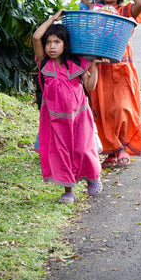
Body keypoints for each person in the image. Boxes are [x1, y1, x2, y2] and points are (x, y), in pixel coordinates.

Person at [33, 10, 110, 203]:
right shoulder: (44, 62)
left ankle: (93, 177)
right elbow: (36, 36)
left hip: (79, 115)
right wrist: (52, 19)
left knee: (83, 149)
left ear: (65, 44)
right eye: (49, 42)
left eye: (57, 42)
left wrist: (96, 67)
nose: (51, 46)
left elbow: (90, 86)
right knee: (61, 152)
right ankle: (68, 191)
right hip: (54, 118)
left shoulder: (76, 63)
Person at [89, 0, 141, 168]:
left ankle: (122, 148)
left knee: (122, 109)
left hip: (122, 67)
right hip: (99, 67)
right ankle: (110, 151)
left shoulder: (125, 11)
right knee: (102, 109)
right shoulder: (93, 11)